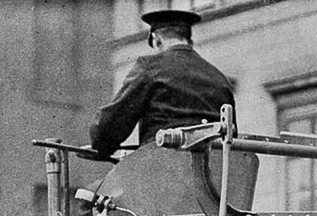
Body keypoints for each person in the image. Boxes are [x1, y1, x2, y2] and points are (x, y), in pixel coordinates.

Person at [88, 4, 235, 159]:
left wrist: (100, 147)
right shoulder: (219, 78)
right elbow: (232, 136)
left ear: (157, 40)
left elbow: (109, 126)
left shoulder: (150, 67)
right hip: (213, 173)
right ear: (189, 41)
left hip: (162, 169)